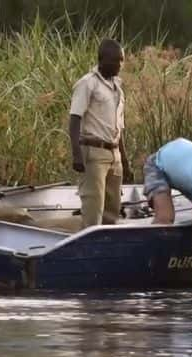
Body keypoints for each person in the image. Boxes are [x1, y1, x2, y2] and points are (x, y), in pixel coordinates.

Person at [69, 38, 132, 228]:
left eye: (122, 60)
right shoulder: (88, 84)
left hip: (114, 154)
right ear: (102, 59)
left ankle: (109, 248)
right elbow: (74, 119)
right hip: (94, 153)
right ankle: (88, 247)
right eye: (116, 60)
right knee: (93, 207)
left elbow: (118, 128)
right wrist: (76, 154)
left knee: (113, 209)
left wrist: (125, 161)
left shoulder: (118, 89)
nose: (120, 65)